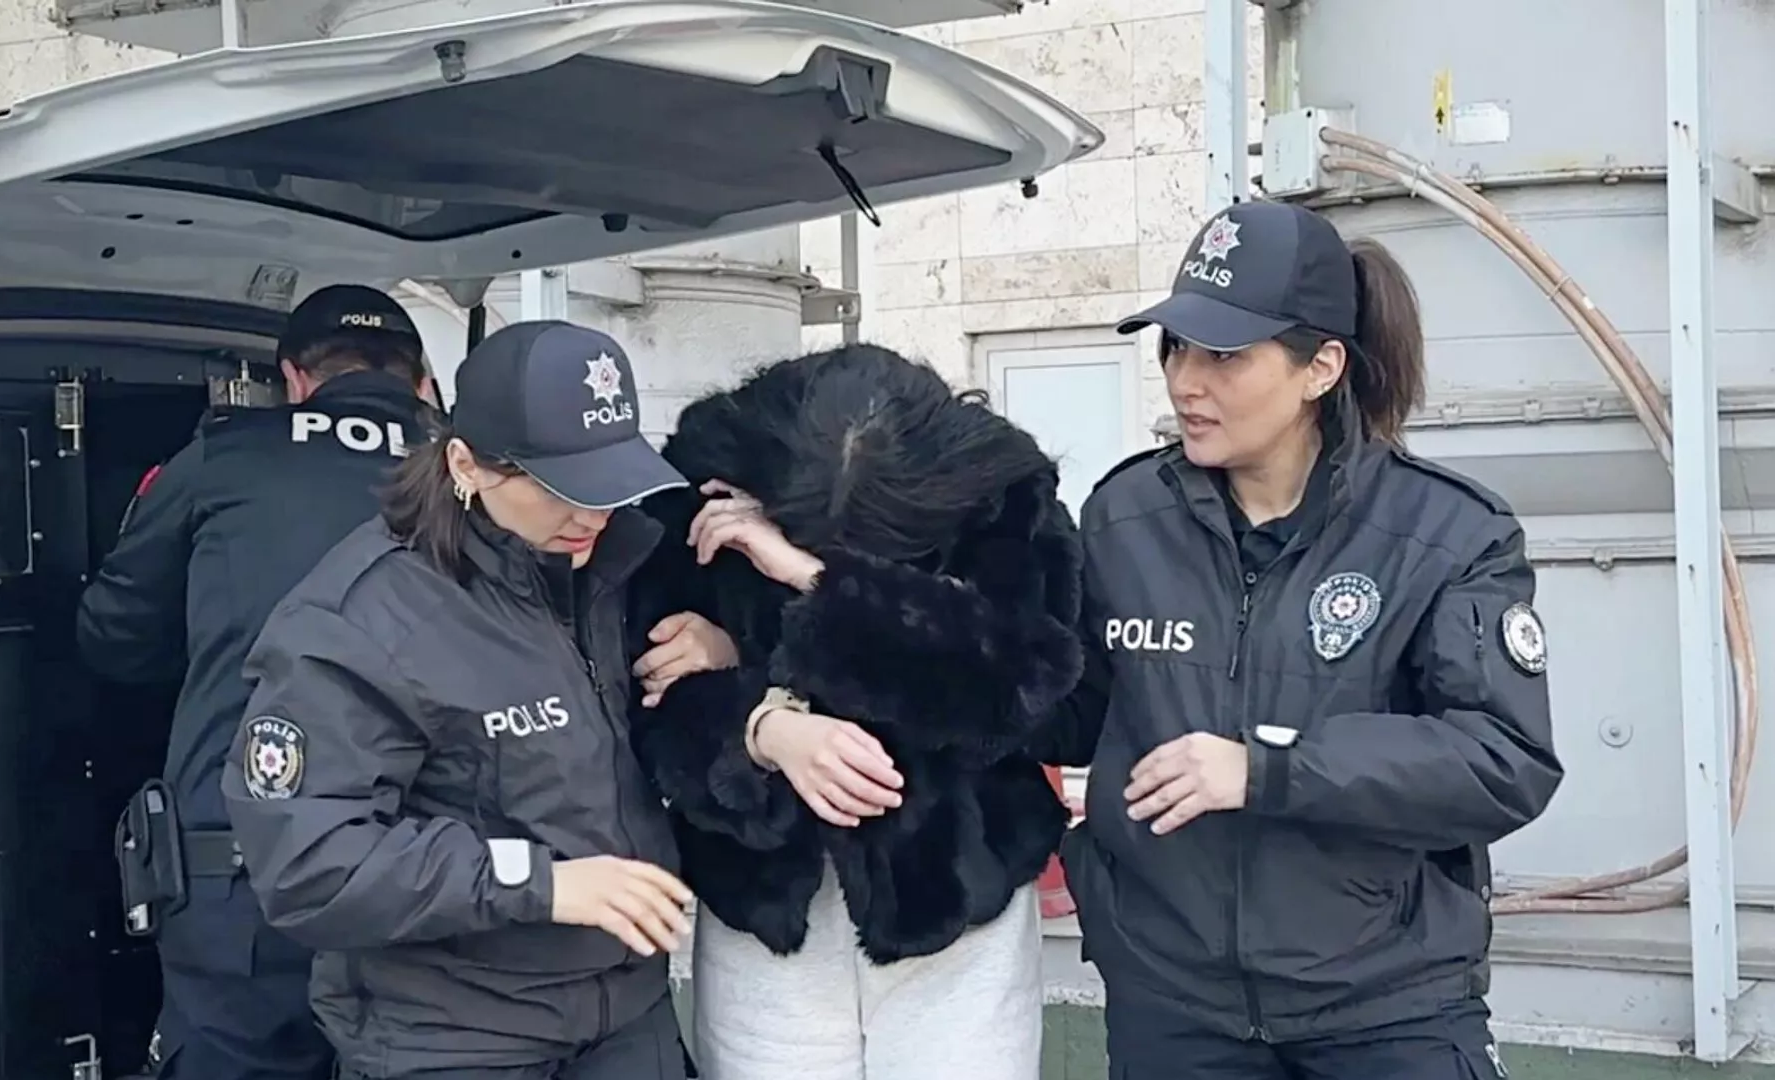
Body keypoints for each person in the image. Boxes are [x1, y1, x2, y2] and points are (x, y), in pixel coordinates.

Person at [1052, 199, 1565, 1079]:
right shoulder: (1122, 517)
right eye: (1176, 347)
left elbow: (1501, 761)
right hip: (1174, 1008)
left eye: (1224, 356)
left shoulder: (1446, 533)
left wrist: (1268, 768)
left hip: (1386, 1007)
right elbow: (1062, 708)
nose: (1185, 382)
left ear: (1320, 367)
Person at [223, 320, 717, 1080]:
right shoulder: (359, 621)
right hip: (453, 1036)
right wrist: (539, 882)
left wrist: (718, 652)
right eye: (561, 489)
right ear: (465, 464)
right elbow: (310, 862)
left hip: (627, 1015)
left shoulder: (617, 565)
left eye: (610, 483)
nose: (592, 515)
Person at [626, 343, 1089, 1080]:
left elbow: (1032, 686)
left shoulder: (999, 500)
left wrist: (814, 581)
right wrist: (762, 727)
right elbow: (648, 708)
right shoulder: (700, 497)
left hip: (956, 898)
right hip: (767, 905)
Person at [77, 284, 437, 1080]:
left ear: (295, 380)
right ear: (422, 384)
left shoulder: (223, 457)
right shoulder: (479, 470)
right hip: (437, 872)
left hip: (247, 869)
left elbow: (114, 638)